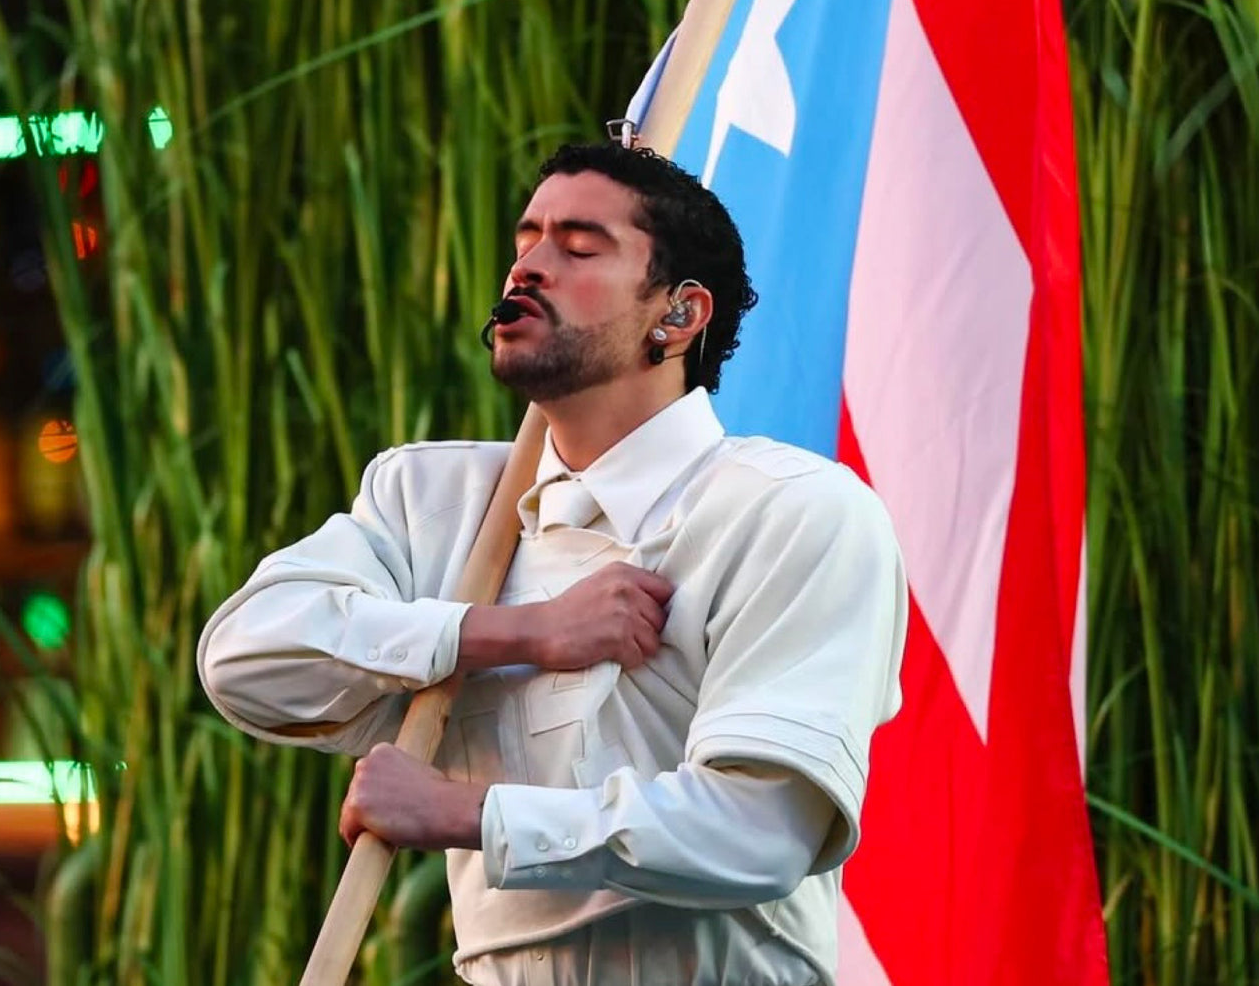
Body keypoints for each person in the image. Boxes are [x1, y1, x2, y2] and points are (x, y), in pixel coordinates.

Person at [197, 141, 908, 985]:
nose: (527, 267)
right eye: (524, 238)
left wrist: (465, 812)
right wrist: (513, 632)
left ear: (678, 317)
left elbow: (757, 831)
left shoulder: (793, 510)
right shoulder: (433, 499)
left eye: (577, 248)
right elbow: (245, 656)